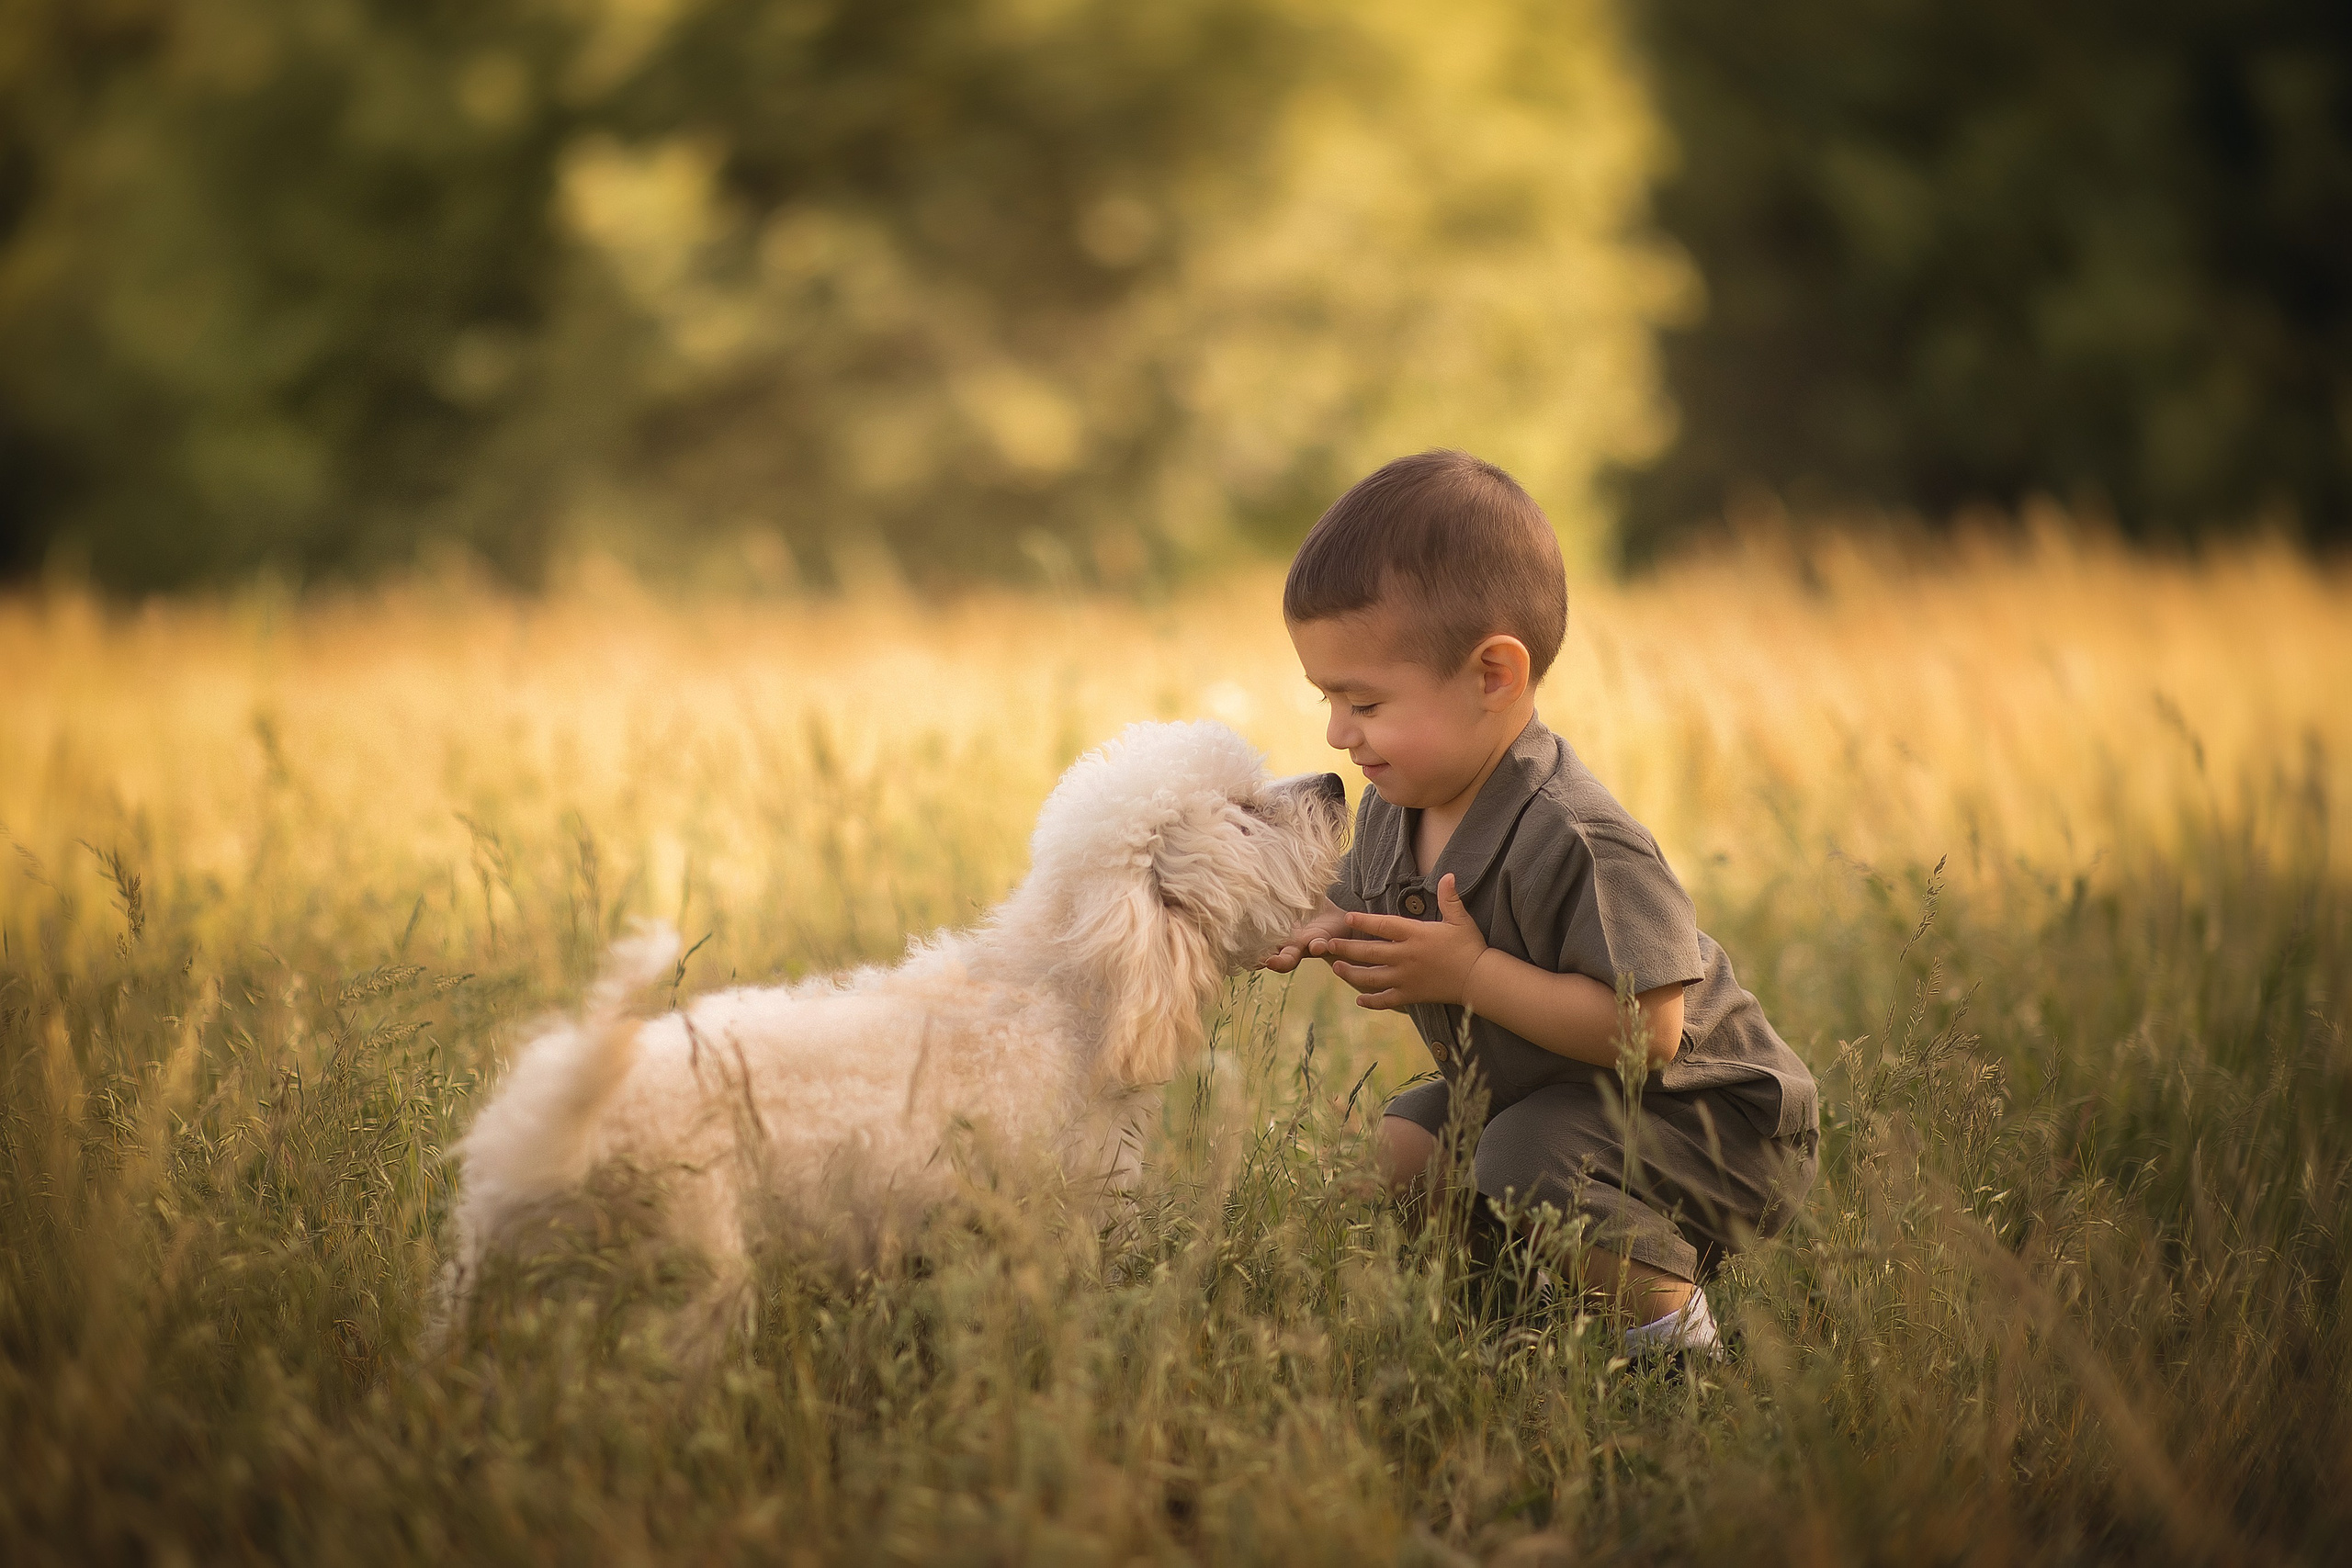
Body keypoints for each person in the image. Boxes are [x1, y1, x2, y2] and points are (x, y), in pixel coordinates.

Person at [1263, 450, 1817, 1358]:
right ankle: (1479, 1315)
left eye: (1362, 701)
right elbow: (1369, 908)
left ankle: (1675, 1350)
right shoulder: (1396, 805)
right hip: (1561, 1098)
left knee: (1521, 1154)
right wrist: (1323, 923)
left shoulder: (1576, 834)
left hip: (1707, 1128)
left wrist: (1470, 972)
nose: (1335, 733)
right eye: (1327, 698)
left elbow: (1651, 1035)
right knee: (1405, 1142)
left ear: (1492, 676)